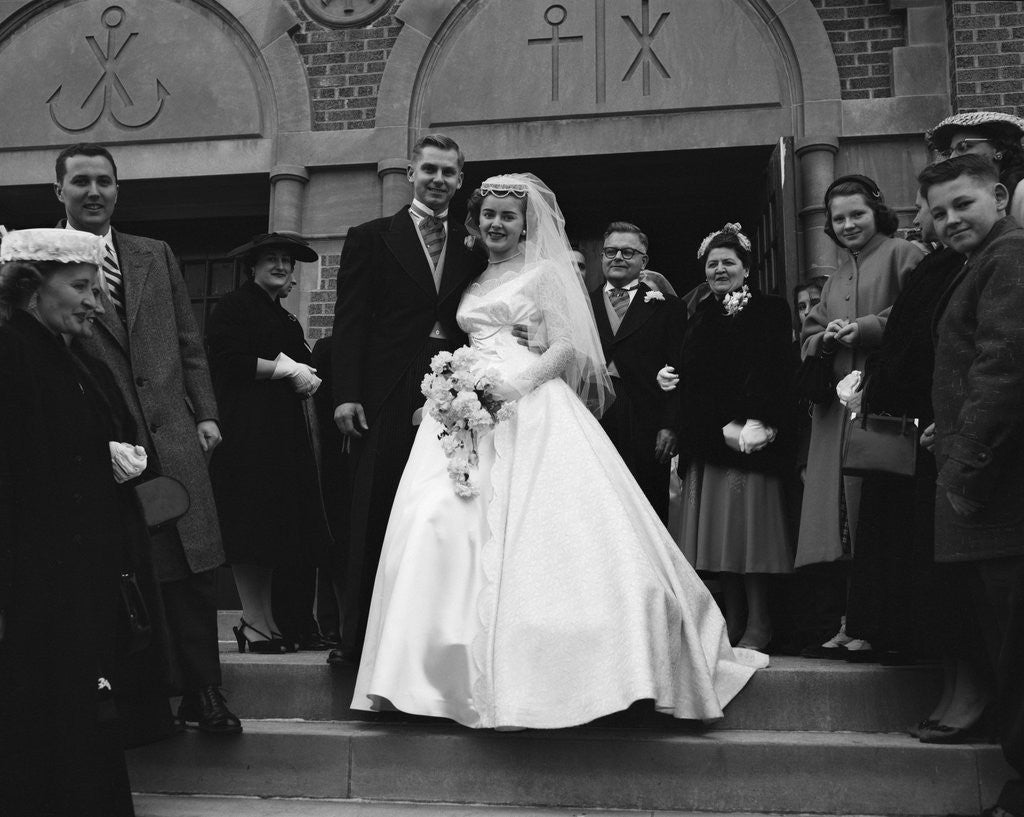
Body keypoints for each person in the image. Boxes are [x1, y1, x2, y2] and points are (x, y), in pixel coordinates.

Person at [351, 173, 766, 729]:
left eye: (509, 216)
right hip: (465, 409)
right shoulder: (472, 280)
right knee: (434, 524)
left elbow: (567, 342)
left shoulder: (546, 272)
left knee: (549, 533)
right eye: (489, 215)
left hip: (530, 403)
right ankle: (427, 676)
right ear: (476, 221)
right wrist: (445, 393)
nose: (497, 224)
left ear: (527, 224)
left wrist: (517, 385)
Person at [56, 143, 239, 733]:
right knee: (136, 568)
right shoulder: (44, 260)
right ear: (58, 191)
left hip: (175, 436)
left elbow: (188, 341)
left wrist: (205, 413)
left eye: (103, 181)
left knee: (193, 565)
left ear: (117, 190)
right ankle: (147, 698)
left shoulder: (153, 254)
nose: (93, 191)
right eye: (79, 181)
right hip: (105, 444)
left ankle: (205, 693)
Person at [328, 134, 487, 666]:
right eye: (430, 170)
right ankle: (356, 644)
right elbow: (348, 320)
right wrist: (347, 393)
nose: (438, 180)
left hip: (455, 392)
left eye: (449, 172)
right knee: (375, 508)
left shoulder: (474, 246)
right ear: (411, 174)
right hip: (388, 390)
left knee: (440, 510)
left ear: (460, 181)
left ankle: (431, 637)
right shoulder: (371, 237)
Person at [0, 228, 135, 816]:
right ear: (32, 287)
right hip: (35, 583)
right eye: (81, 287)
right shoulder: (10, 353)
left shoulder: (72, 356)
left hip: (79, 580)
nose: (94, 302)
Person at [922, 156, 1024, 804]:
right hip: (989, 489)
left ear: (999, 194)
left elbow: (1004, 367)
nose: (950, 219)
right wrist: (947, 426)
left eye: (963, 204)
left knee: (1016, 650)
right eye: (937, 211)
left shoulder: (1008, 257)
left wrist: (962, 469)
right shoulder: (982, 262)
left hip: (1000, 499)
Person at [797, 174, 923, 659]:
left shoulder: (904, 255)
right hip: (836, 417)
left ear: (878, 213)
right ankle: (852, 620)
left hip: (884, 408)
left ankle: (879, 623)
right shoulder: (831, 278)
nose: (847, 225)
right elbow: (808, 335)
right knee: (843, 522)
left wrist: (867, 328)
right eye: (838, 218)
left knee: (877, 514)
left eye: (857, 215)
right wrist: (824, 337)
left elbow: (919, 317)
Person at [841, 188, 964, 666]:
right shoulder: (935, 261)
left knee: (912, 536)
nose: (928, 217)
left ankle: (914, 640)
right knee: (888, 531)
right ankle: (882, 628)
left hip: (923, 417)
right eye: (931, 209)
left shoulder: (918, 257)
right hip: (892, 415)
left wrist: (867, 328)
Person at [658, 224, 795, 651]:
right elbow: (692, 371)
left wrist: (761, 419)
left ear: (746, 269)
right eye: (713, 264)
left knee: (746, 536)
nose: (720, 270)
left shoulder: (770, 309)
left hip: (744, 440)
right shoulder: (699, 313)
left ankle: (761, 621)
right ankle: (732, 619)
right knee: (718, 541)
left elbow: (775, 367)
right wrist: (669, 379)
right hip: (705, 442)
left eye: (728, 263)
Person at [206, 233, 333, 653]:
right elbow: (228, 361)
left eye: (286, 261)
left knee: (276, 529)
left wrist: (307, 372)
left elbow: (304, 363)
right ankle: (254, 621)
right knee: (251, 528)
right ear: (253, 267)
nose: (280, 266)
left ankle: (276, 622)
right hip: (246, 433)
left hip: (283, 435)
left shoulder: (285, 317)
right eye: (271, 259)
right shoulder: (234, 307)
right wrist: (283, 369)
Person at [590, 222, 685, 521]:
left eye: (628, 252)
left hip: (646, 421)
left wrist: (670, 425)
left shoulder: (669, 308)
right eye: (610, 251)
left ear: (644, 261)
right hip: (593, 416)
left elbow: (678, 367)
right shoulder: (582, 303)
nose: (618, 257)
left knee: (647, 507)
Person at [926, 111, 1024, 226]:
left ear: (998, 149)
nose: (952, 158)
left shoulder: (1021, 191)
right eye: (949, 152)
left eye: (963, 147)